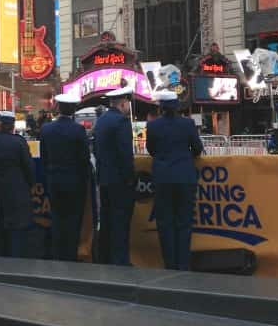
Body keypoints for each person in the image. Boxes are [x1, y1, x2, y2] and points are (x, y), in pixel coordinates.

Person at [146, 90, 204, 270]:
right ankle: (183, 263)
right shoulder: (188, 124)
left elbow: (151, 149)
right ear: (177, 106)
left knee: (165, 223)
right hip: (185, 177)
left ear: (161, 107)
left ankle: (169, 263)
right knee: (184, 222)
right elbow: (197, 148)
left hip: (163, 179)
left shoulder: (153, 126)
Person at [39, 95, 91, 262]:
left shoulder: (46, 129)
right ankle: (70, 254)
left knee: (57, 218)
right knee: (73, 220)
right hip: (74, 182)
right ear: (74, 110)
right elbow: (84, 159)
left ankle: (57, 254)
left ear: (58, 108)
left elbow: (44, 157)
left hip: (54, 181)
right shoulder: (78, 130)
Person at [93, 87, 136, 266]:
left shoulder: (101, 121)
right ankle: (121, 260)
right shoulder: (121, 122)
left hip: (104, 178)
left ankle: (106, 257)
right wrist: (130, 177)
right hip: (119, 180)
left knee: (107, 218)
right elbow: (125, 154)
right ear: (123, 103)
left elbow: (96, 149)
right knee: (121, 221)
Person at [0, 112, 34, 258]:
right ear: (12, 126)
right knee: (16, 227)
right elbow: (28, 166)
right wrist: (30, 185)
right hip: (16, 189)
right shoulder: (19, 142)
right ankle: (15, 257)